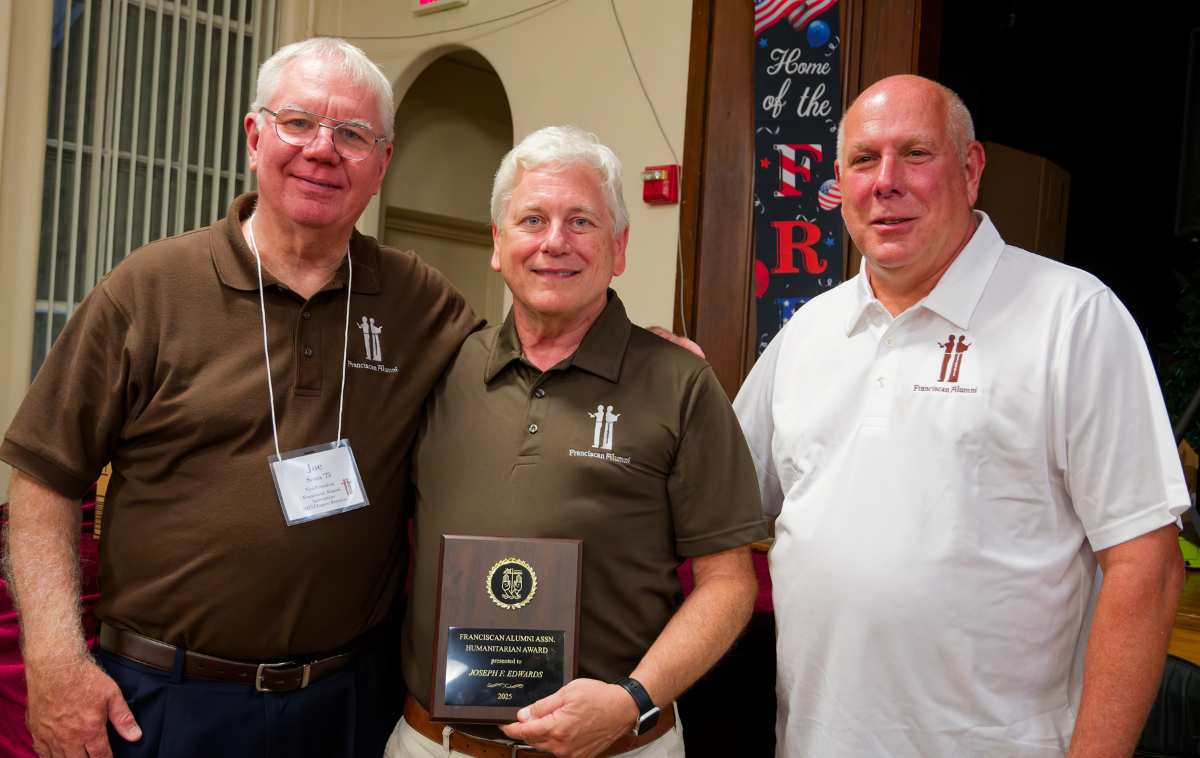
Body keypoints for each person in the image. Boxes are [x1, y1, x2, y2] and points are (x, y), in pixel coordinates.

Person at [0, 38, 481, 758]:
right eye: (298, 123)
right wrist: (54, 660)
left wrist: (639, 353)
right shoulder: (149, 289)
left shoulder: (419, 300)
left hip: (349, 702)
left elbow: (522, 369)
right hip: (170, 700)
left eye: (352, 135)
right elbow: (44, 480)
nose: (322, 150)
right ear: (255, 138)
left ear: (382, 164)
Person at [733, 74, 1189, 757]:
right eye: (863, 160)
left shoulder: (1073, 316)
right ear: (841, 183)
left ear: (971, 170)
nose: (886, 182)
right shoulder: (808, 332)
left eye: (915, 154)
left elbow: (1146, 566)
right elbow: (720, 505)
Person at [386, 126, 768, 758]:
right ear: (498, 242)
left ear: (619, 247)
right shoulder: (440, 370)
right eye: (532, 219)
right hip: (435, 744)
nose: (554, 242)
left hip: (621, 745)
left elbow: (729, 583)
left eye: (582, 221)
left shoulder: (681, 383)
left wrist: (633, 699)